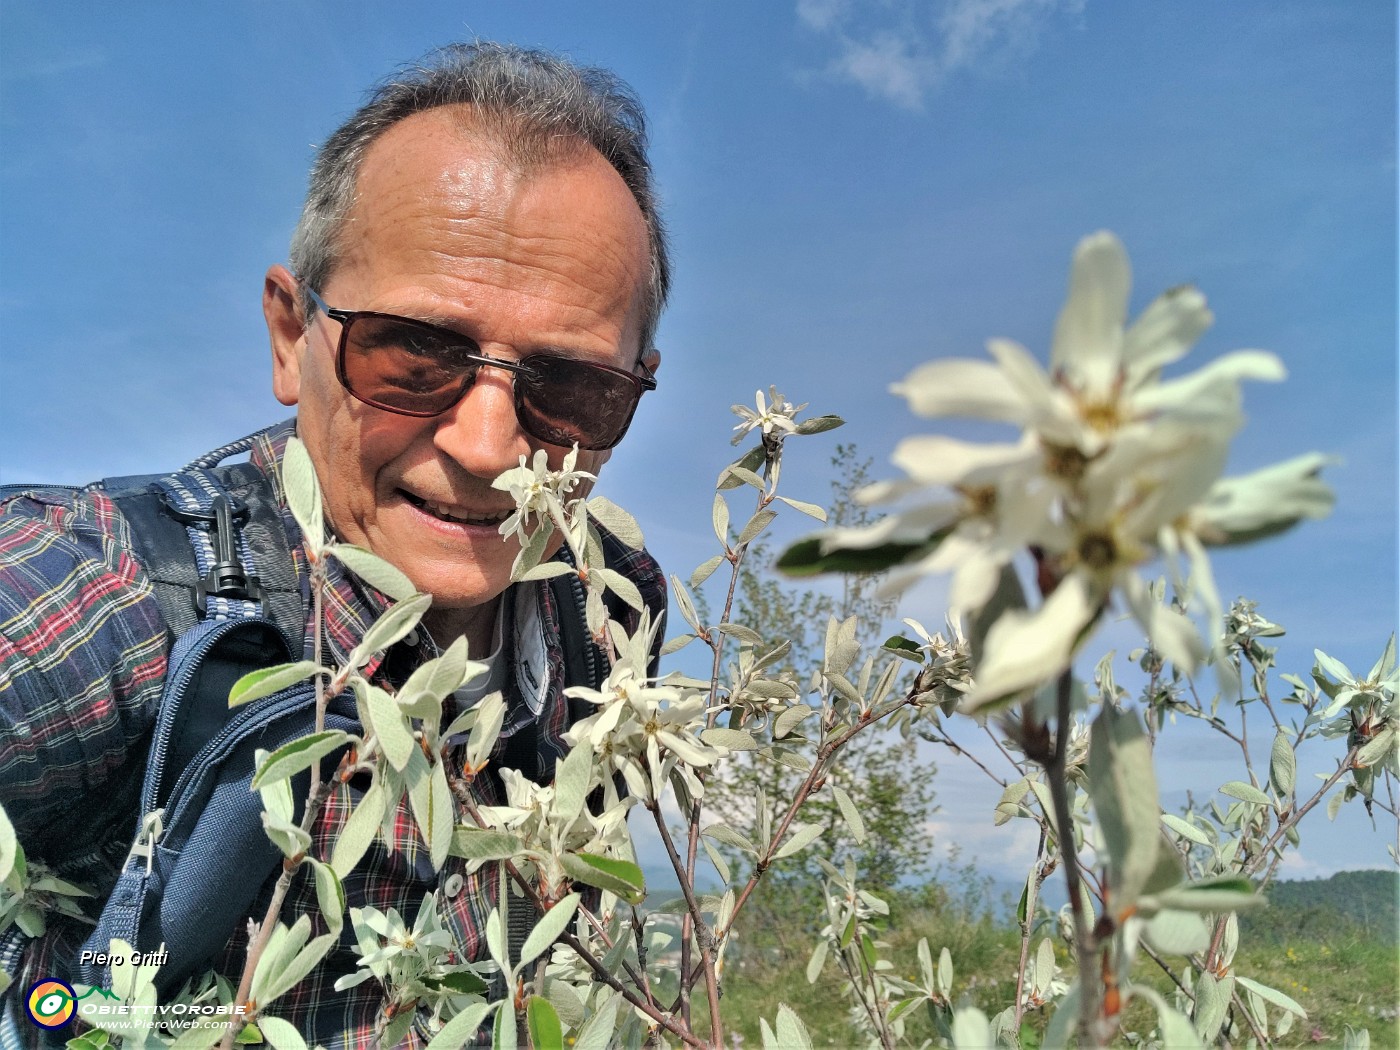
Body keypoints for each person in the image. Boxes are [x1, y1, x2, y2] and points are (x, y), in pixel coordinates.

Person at [0, 41, 669, 1047]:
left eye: (570, 388)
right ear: (289, 335)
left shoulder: (614, 606)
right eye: (413, 353)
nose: (486, 449)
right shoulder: (133, 596)